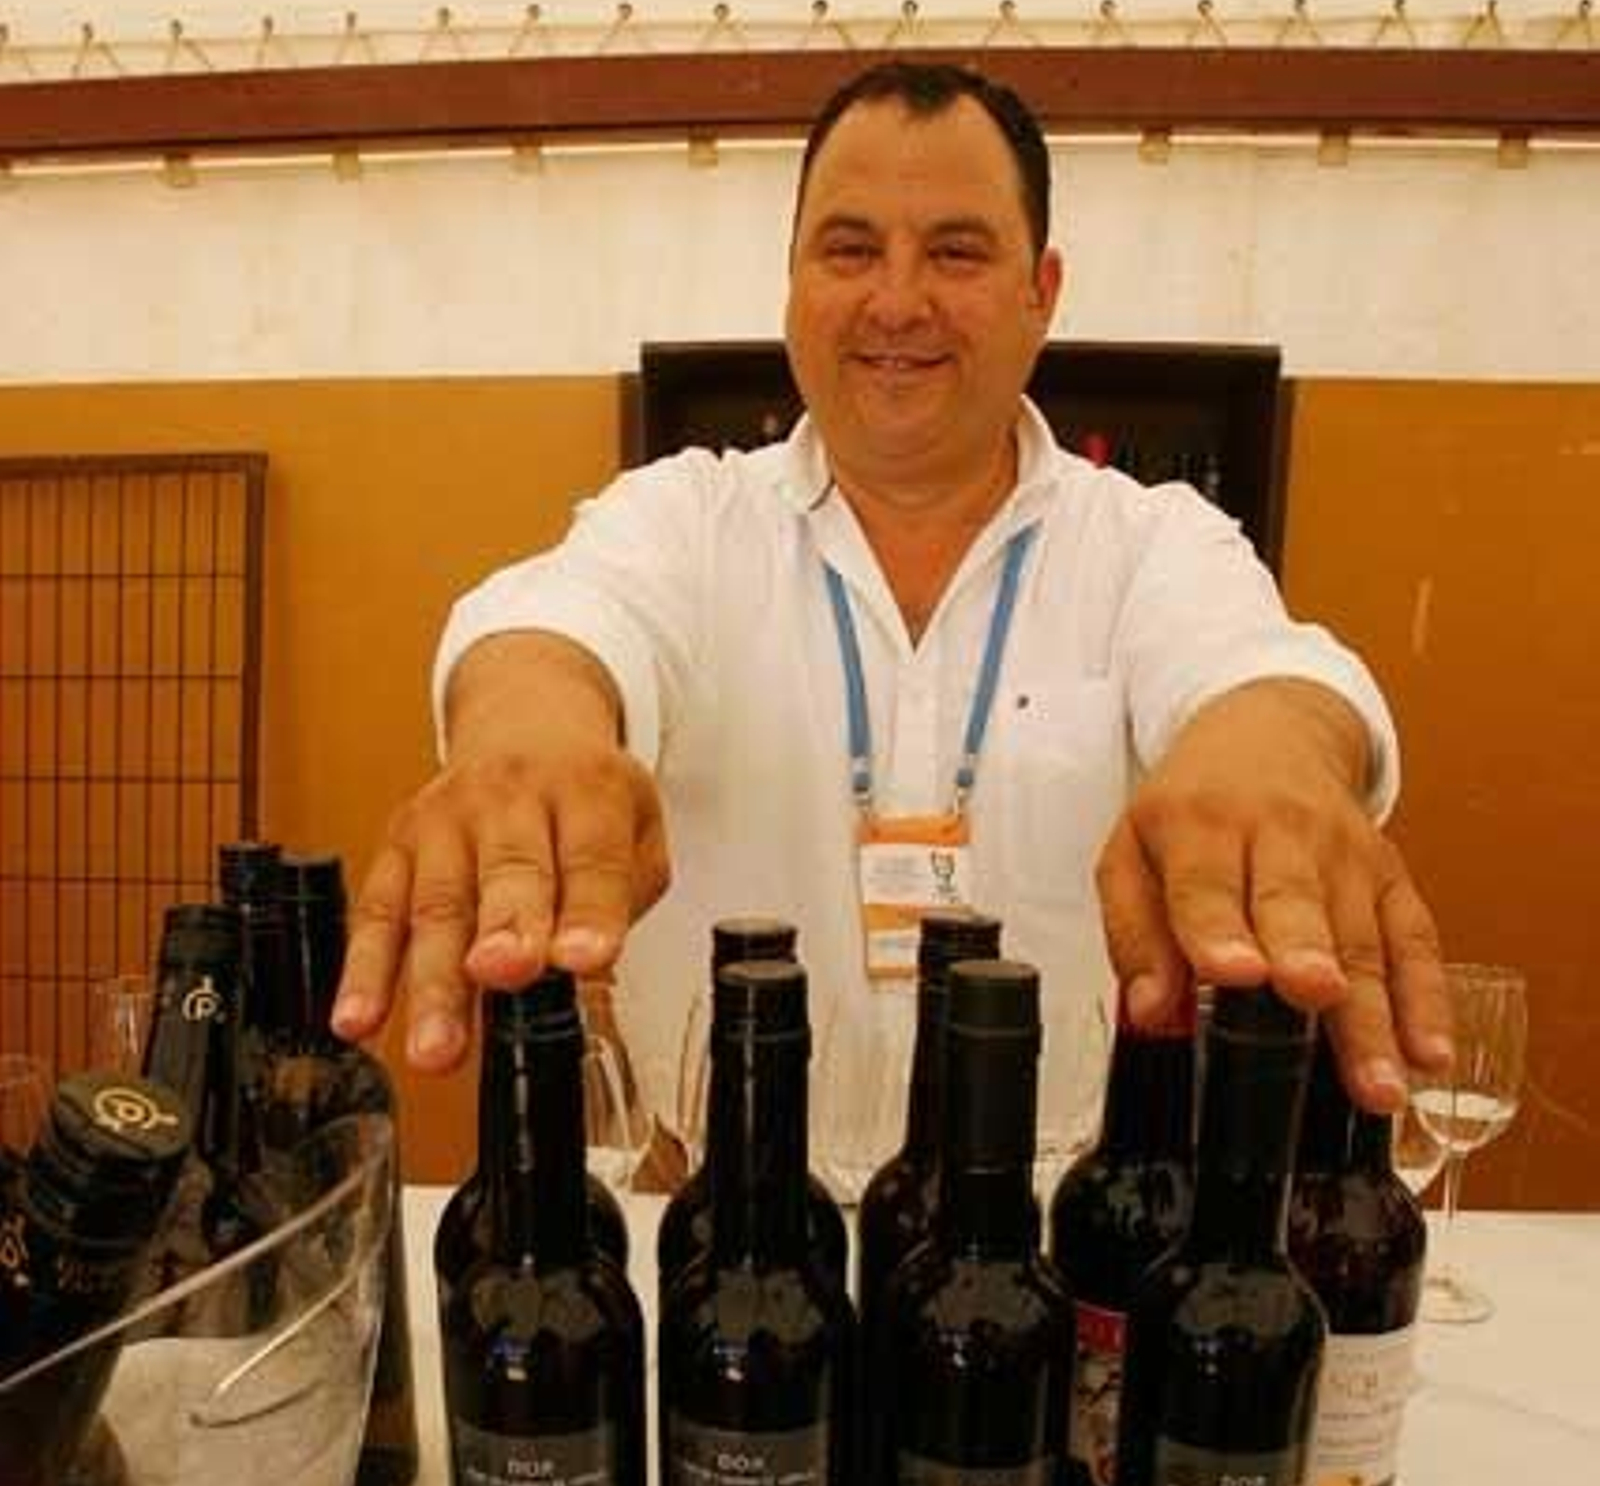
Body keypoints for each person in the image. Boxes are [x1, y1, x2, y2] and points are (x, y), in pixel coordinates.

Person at [332, 60, 1450, 1148]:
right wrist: (527, 728)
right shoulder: (684, 516)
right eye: (850, 248)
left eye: (955, 252)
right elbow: (564, 620)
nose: (897, 300)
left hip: (1056, 1229)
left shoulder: (1150, 540)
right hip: (729, 1224)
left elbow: (1261, 674)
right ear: (794, 282)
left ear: (1039, 292)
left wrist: (1284, 753)